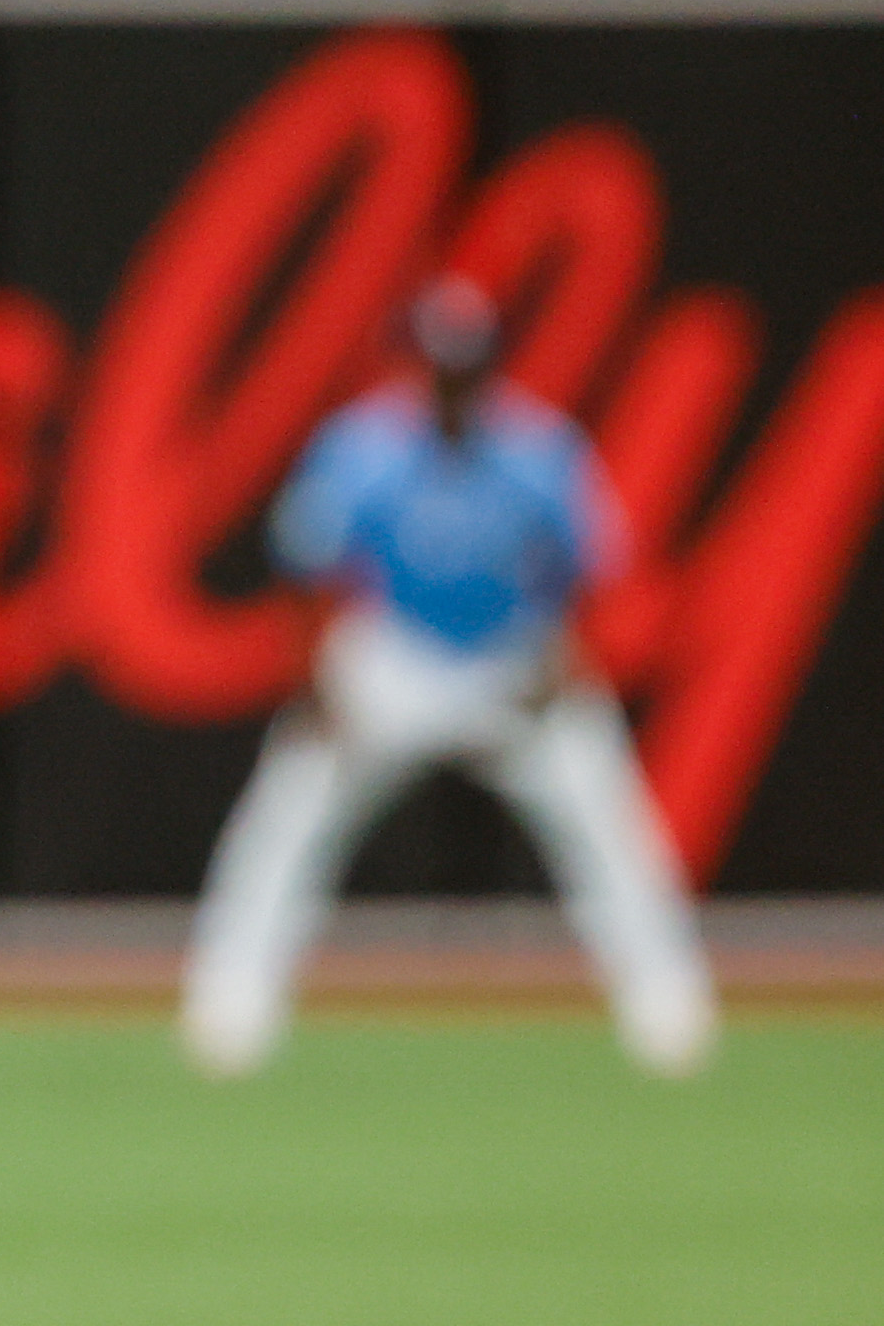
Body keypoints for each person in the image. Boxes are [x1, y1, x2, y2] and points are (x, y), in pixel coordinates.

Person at [179, 274, 718, 1079]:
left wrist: (565, 660)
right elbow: (303, 566)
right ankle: (230, 1002)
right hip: (395, 656)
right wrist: (317, 681)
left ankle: (668, 1007)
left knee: (608, 825)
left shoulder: (541, 450)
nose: (450, 380)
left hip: (512, 657)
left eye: (465, 364)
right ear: (415, 366)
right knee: (287, 817)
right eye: (438, 363)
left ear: (491, 366)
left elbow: (591, 571)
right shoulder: (363, 447)